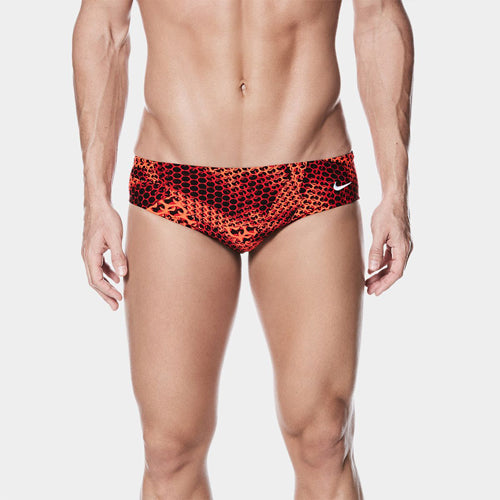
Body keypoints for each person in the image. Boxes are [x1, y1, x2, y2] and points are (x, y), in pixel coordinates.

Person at [72, 0, 414, 498]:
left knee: (324, 437)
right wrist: (95, 198)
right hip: (175, 180)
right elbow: (104, 26)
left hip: (308, 174)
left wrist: (396, 191)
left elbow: (379, 16)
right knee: (169, 449)